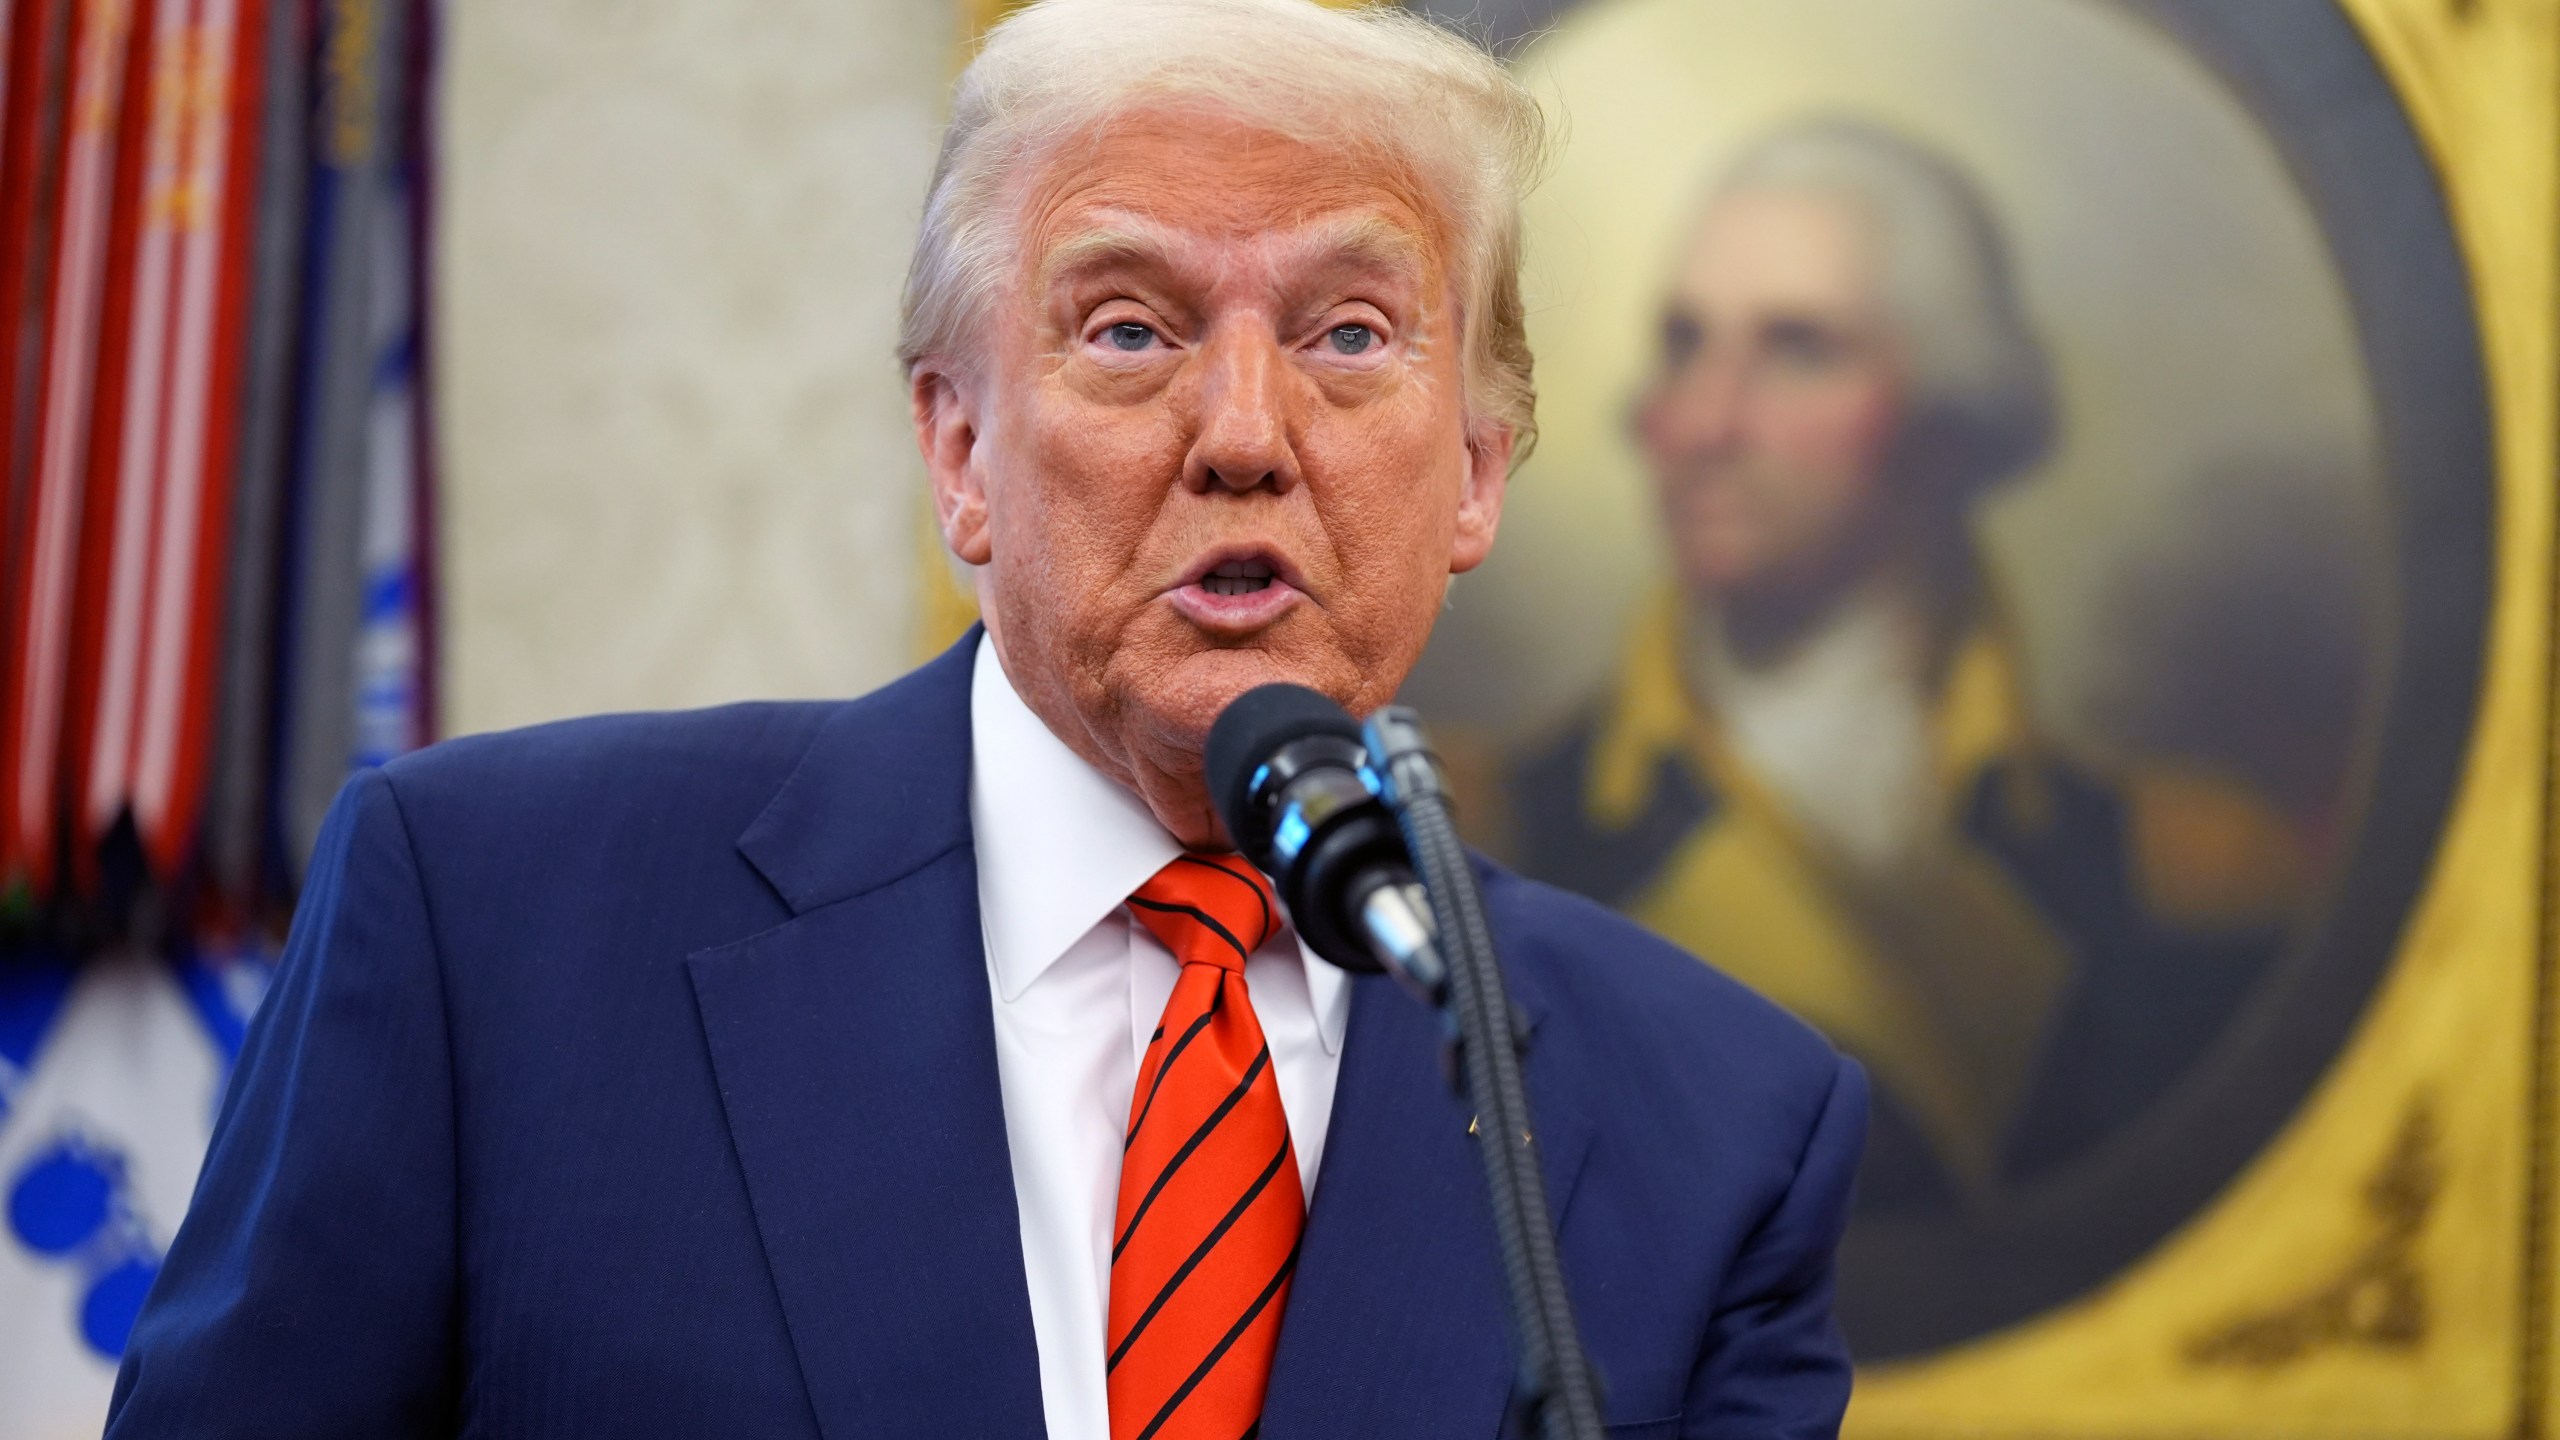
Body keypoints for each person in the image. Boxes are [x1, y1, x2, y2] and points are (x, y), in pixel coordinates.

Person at [105, 3, 1866, 1436]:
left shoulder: (1718, 1124)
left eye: (1347, 334)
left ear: (1477, 474)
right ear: (959, 449)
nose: (1244, 429)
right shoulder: (495, 921)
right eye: (1128, 327)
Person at [1511, 120, 2298, 1220]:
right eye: (1685, 343)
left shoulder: (2190, 872)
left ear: (1945, 418)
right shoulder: (1490, 833)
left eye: (1796, 349)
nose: (1699, 420)